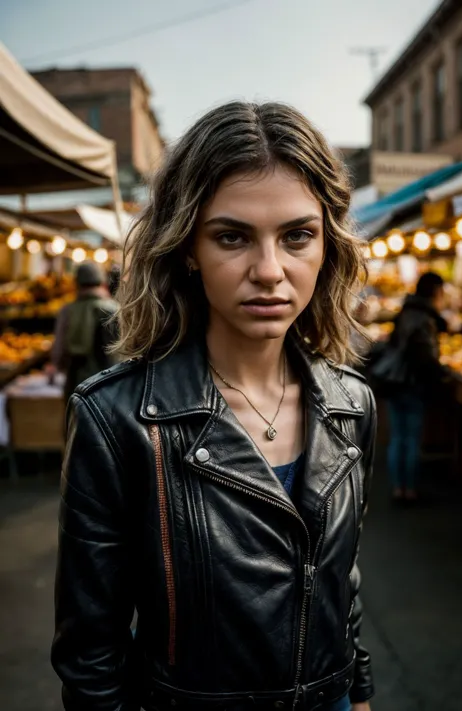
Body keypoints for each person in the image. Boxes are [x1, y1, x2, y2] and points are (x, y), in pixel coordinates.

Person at [51, 102, 376, 711]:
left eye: (298, 235)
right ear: (187, 249)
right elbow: (90, 652)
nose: (270, 271)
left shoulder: (352, 403)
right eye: (232, 236)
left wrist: (357, 694)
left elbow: (340, 579)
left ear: (328, 246)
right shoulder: (115, 417)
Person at [372, 272, 447, 502]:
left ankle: (398, 487)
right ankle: (410, 489)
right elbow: (425, 355)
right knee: (412, 437)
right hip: (412, 383)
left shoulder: (406, 310)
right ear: (435, 290)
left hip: (395, 382)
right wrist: (440, 374)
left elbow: (395, 344)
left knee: (398, 435)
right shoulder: (425, 317)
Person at [48, 261, 119, 402]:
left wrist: (55, 368)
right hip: (109, 382)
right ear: (102, 282)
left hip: (75, 382)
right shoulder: (114, 309)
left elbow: (59, 349)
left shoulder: (67, 310)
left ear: (77, 283)